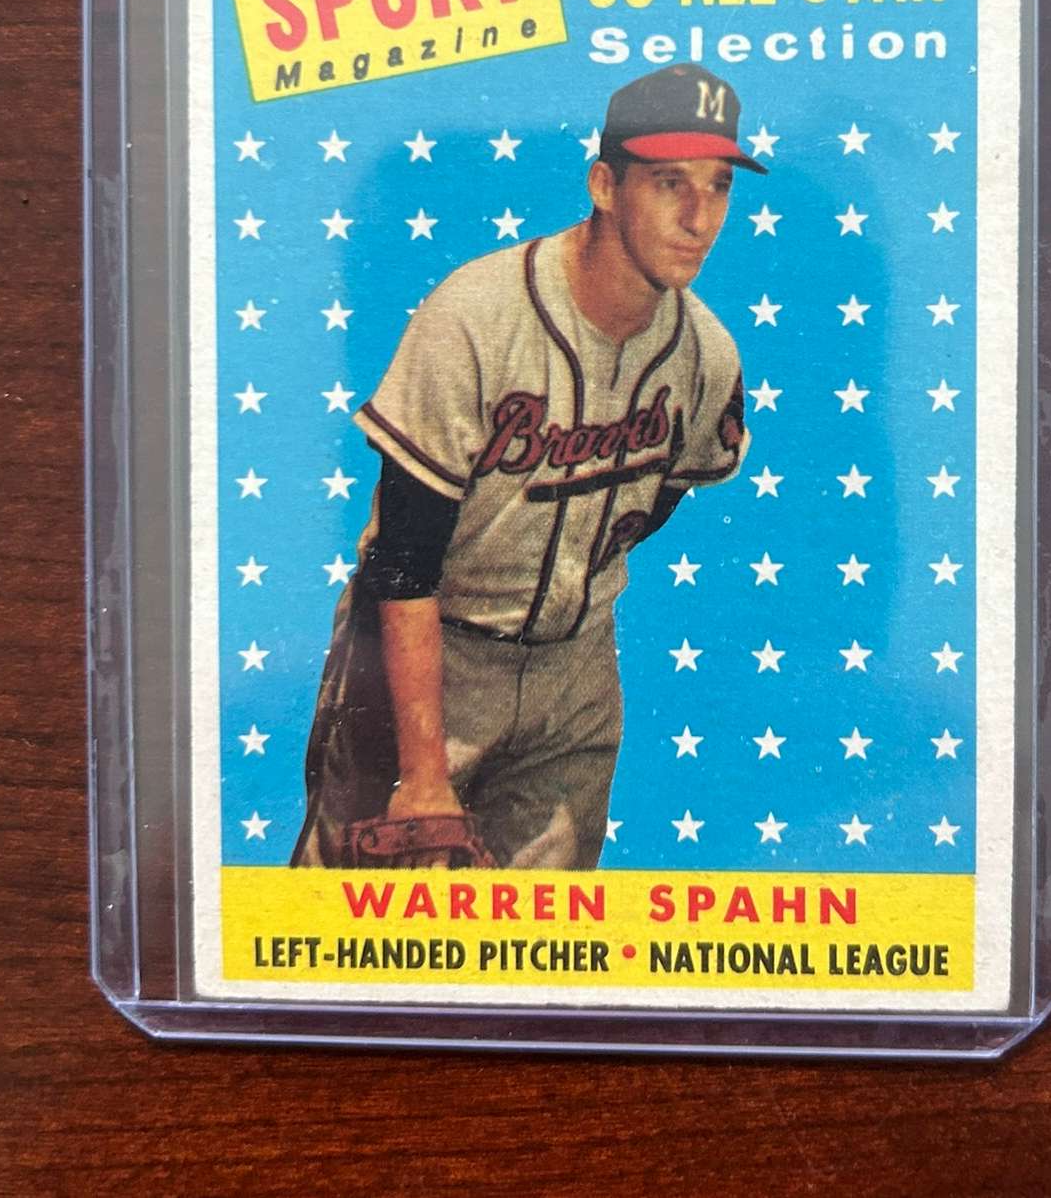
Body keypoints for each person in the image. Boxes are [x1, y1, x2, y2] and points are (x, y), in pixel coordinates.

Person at [291, 64, 765, 870]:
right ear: (605, 186)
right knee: (361, 918)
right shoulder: (476, 316)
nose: (698, 218)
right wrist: (424, 772)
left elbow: (661, 499)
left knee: (541, 934)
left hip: (575, 675)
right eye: (669, 184)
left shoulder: (707, 356)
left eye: (717, 187)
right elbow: (404, 560)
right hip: (431, 653)